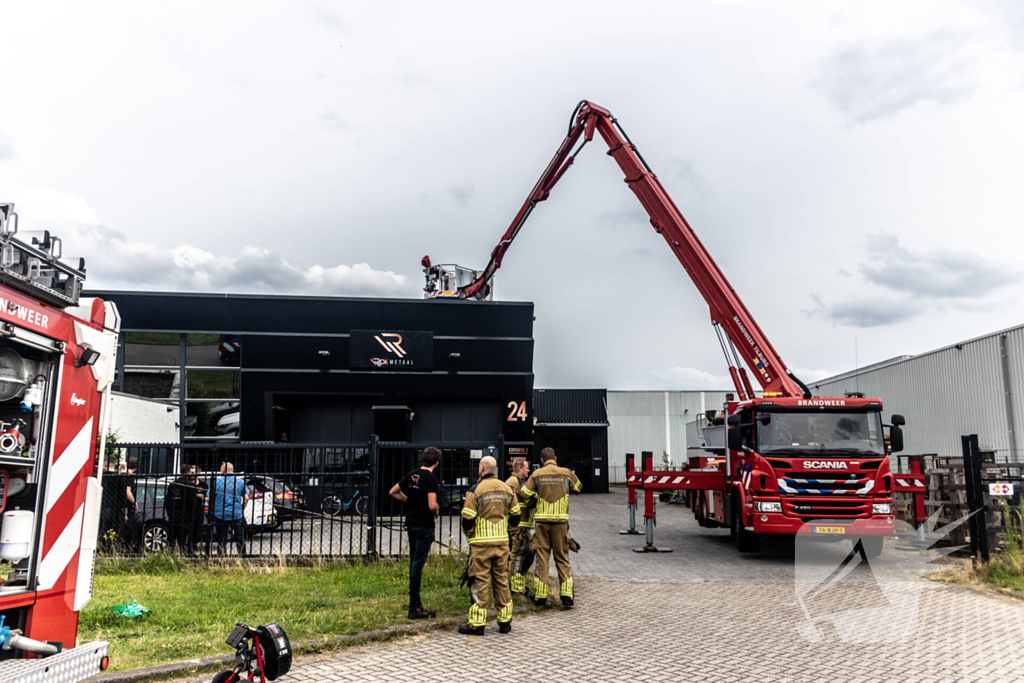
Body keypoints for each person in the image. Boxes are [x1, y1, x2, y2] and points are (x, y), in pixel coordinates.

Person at [458, 456, 520, 635]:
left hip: (481, 546)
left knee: (479, 582)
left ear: (482, 468)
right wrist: (506, 531)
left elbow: (467, 519)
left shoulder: (474, 490)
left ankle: (477, 624)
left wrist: (470, 536)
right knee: (501, 581)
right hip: (502, 544)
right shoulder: (508, 489)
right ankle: (505, 622)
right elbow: (516, 516)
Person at [521, 447, 582, 607]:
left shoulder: (536, 474)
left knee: (542, 558)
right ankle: (567, 596)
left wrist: (536, 499)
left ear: (542, 461)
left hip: (541, 523)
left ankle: (541, 597)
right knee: (562, 558)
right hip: (560, 524)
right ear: (555, 459)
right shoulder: (566, 472)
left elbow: (525, 493)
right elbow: (578, 488)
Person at [389, 446, 441, 619]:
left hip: (411, 524)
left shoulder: (412, 474)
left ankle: (414, 603)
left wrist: (409, 500)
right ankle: (414, 606)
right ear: (436, 462)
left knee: (413, 562)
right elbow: (432, 505)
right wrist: (436, 511)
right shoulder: (431, 478)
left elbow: (393, 491)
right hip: (425, 525)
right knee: (418, 564)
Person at [504, 457, 534, 595]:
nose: (529, 471)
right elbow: (530, 500)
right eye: (527, 468)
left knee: (523, 553)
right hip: (519, 526)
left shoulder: (510, 481)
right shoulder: (519, 483)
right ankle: (516, 587)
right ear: (520, 469)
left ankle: (517, 584)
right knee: (518, 554)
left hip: (516, 525)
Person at [166, 463, 207, 553]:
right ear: (188, 472)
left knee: (172, 540)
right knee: (185, 541)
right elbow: (192, 502)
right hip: (186, 518)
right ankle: (186, 554)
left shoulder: (173, 484)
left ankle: (170, 554)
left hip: (174, 516)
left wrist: (170, 514)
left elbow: (167, 501)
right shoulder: (189, 485)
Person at [211, 462, 247, 555]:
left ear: (222, 470)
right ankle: (242, 556)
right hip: (236, 512)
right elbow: (246, 497)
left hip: (220, 513)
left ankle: (221, 557)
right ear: (232, 470)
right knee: (239, 537)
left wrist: (214, 507)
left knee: (222, 538)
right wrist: (242, 508)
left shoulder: (216, 482)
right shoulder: (240, 482)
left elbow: (208, 497)